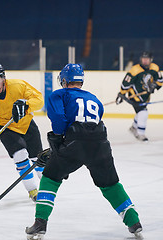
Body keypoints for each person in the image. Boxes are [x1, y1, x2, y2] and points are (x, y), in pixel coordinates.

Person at [26, 64, 142, 239]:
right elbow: (94, 121)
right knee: (110, 184)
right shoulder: (94, 98)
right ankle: (134, 222)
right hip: (100, 144)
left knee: (50, 178)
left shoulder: (59, 94)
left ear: (64, 80)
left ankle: (40, 224)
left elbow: (58, 120)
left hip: (75, 144)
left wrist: (58, 143)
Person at [0, 63, 44, 201]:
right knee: (20, 155)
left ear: (3, 78)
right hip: (7, 129)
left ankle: (46, 188)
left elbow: (39, 100)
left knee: (38, 159)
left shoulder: (18, 86)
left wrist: (26, 104)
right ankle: (32, 190)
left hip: (27, 125)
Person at [116, 51, 163, 141]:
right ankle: (141, 133)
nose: (145, 61)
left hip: (146, 96)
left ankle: (134, 127)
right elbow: (125, 84)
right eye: (143, 59)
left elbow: (160, 82)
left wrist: (154, 86)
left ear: (151, 60)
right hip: (134, 96)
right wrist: (122, 94)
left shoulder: (155, 68)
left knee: (140, 111)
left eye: (147, 59)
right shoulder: (135, 70)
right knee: (143, 112)